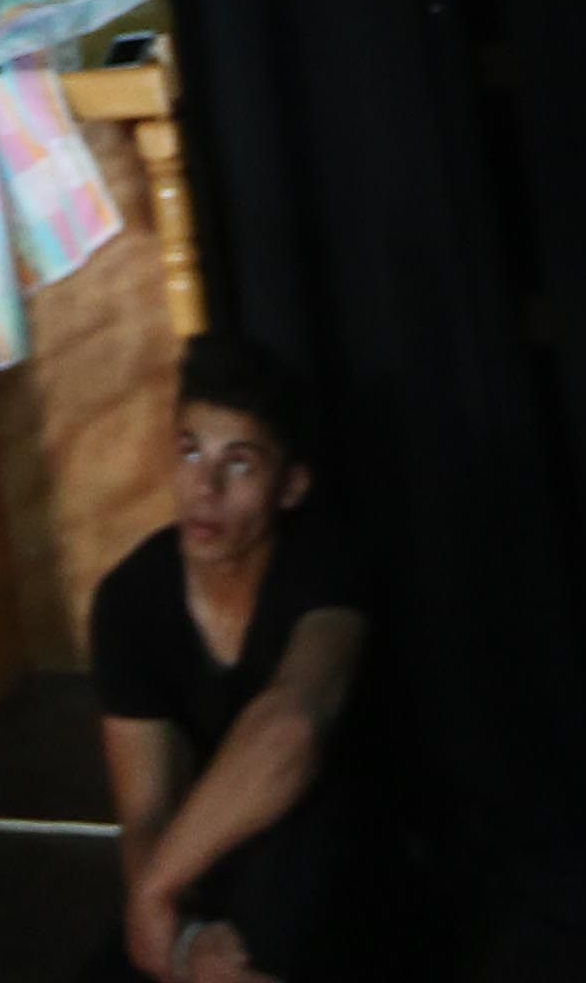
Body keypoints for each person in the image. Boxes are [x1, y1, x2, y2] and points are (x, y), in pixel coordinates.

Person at [96, 333, 387, 983]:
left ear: (291, 486)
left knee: (295, 869)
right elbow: (145, 812)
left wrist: (151, 896)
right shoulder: (128, 599)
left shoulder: (327, 561)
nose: (205, 487)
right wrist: (179, 940)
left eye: (241, 464)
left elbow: (293, 728)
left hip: (339, 849)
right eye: (190, 452)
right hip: (208, 858)